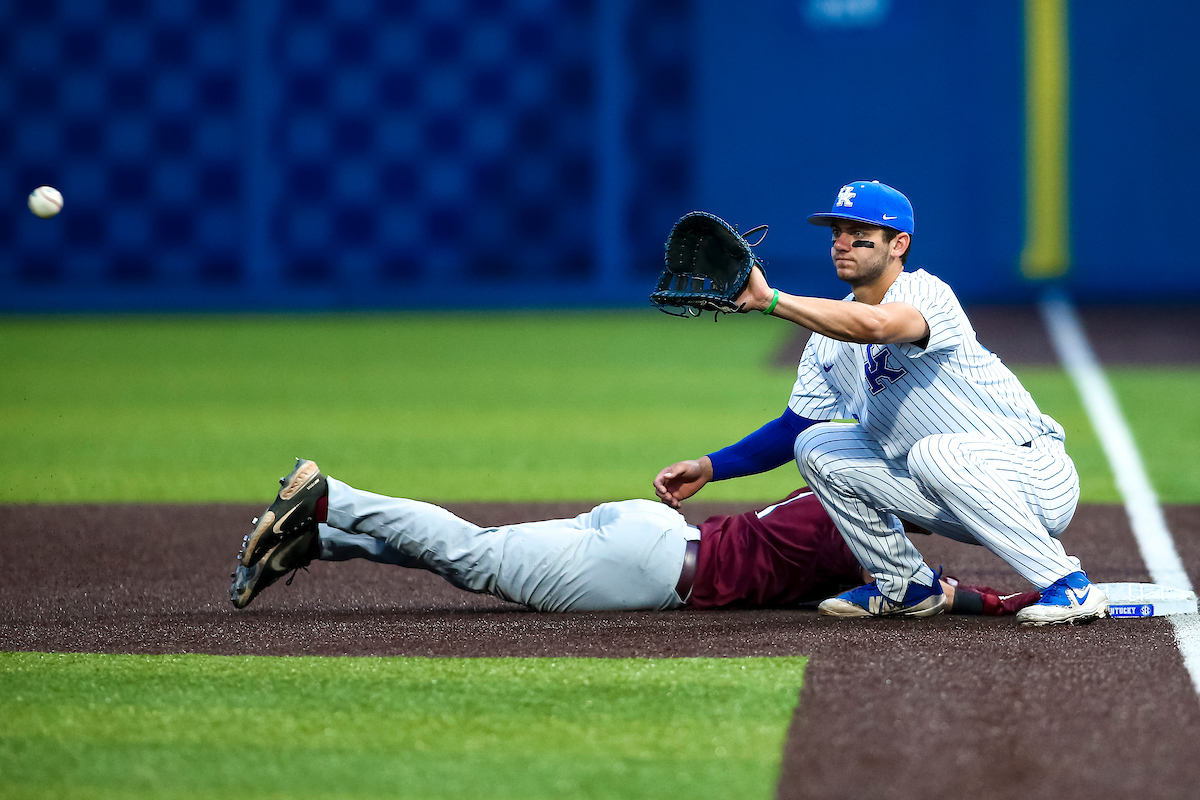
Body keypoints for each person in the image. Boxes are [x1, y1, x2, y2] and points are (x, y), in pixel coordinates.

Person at [654, 180, 1107, 626]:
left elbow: (875, 325)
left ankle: (1068, 582)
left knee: (934, 452)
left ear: (898, 244)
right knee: (815, 445)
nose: (842, 243)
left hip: (1036, 478)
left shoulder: (926, 293)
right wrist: (709, 467)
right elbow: (793, 428)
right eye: (836, 232)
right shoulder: (826, 343)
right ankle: (905, 585)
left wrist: (770, 300)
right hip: (948, 492)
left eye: (859, 232)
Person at [229, 459, 1040, 616]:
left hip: (649, 528)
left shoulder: (825, 494)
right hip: (650, 571)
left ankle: (317, 540)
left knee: (477, 554)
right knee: (473, 556)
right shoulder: (866, 540)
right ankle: (332, 495)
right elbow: (925, 589)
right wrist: (1004, 600)